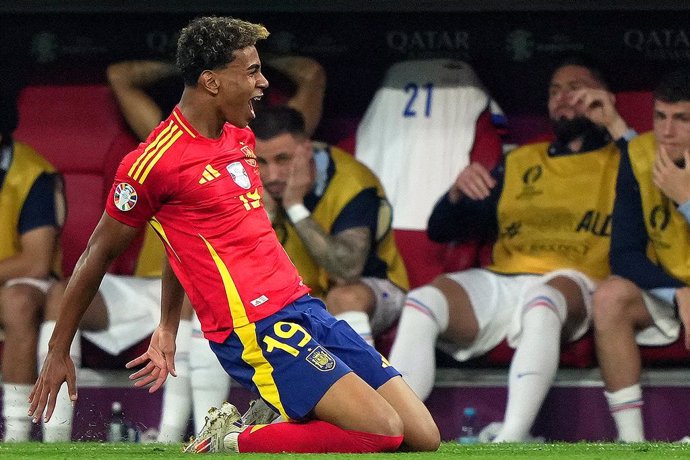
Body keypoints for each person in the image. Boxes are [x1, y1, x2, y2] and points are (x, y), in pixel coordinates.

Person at [28, 16, 440, 454]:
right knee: (381, 431)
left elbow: (181, 242)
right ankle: (227, 440)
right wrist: (58, 349)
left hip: (303, 307)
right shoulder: (154, 161)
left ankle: (278, 416)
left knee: (423, 437)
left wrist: (167, 325)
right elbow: (96, 254)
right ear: (211, 81)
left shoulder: (240, 137)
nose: (262, 82)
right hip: (255, 328)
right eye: (250, 71)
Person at [388, 55, 633, 442]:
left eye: (575, 88)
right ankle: (397, 432)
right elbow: (441, 230)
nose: (562, 98)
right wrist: (456, 194)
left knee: (542, 301)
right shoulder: (520, 161)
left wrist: (617, 126)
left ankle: (512, 439)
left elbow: (654, 184)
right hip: (506, 278)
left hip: (576, 280)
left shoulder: (625, 157)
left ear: (603, 96)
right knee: (422, 302)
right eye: (555, 91)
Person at [104, 49, 329, 443]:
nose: (271, 168)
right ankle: (174, 434)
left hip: (263, 293)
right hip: (175, 283)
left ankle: (201, 432)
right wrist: (191, 69)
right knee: (202, 289)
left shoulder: (252, 147)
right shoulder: (167, 153)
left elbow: (312, 74)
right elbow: (120, 72)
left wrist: (252, 70)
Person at [253, 105, 409, 346]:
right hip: (300, 294)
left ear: (306, 149)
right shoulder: (245, 180)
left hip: (372, 289)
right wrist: (268, 216)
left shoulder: (353, 184)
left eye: (283, 159)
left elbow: (346, 270)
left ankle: (366, 381)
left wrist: (294, 206)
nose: (272, 175)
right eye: (261, 161)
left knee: (344, 297)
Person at [592, 68, 690, 442]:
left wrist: (687, 200)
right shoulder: (639, 154)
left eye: (682, 119)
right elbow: (624, 253)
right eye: (660, 117)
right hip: (673, 287)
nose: (667, 131)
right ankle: (631, 443)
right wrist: (678, 293)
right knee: (610, 296)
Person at [0, 82, 65, 442]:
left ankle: (16, 434)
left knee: (19, 302)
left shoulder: (32, 174)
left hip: (24, 284)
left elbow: (36, 262)